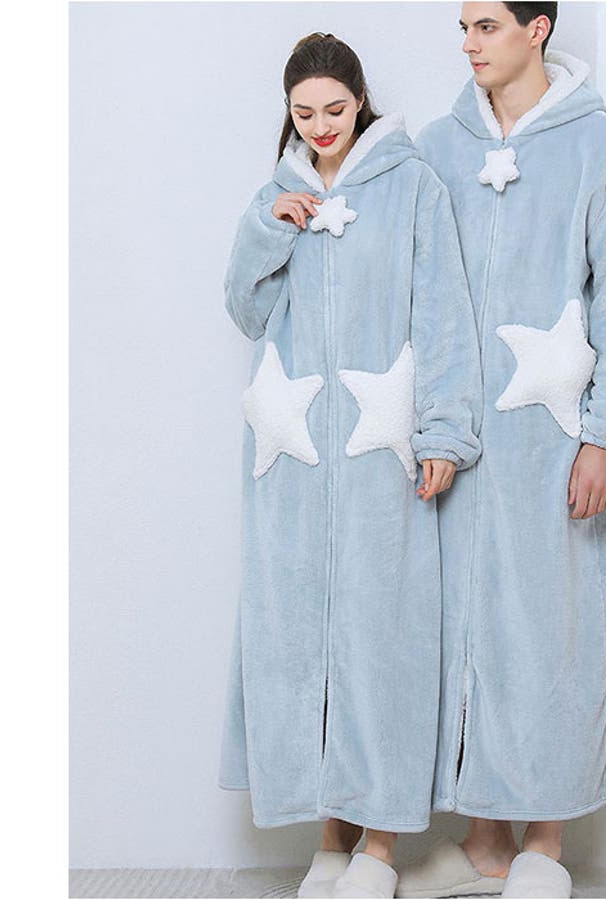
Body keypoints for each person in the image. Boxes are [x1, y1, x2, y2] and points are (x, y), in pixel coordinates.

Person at [397, 4, 606, 898]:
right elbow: (409, 283)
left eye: (487, 26)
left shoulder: (603, 150)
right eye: (463, 27)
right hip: (452, 434)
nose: (469, 43)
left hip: (555, 435)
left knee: (554, 629)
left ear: (538, 28)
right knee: (459, 628)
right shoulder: (436, 148)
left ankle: (546, 840)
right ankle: (483, 839)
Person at [216, 33, 483, 899]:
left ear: (361, 102)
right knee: (302, 640)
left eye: (335, 109)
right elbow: (246, 311)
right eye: (304, 113)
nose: (321, 126)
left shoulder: (412, 187)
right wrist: (269, 230)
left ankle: (380, 845)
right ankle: (329, 837)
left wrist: (444, 434)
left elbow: (444, 314)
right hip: (290, 456)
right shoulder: (277, 195)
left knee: (383, 639)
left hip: (383, 451)